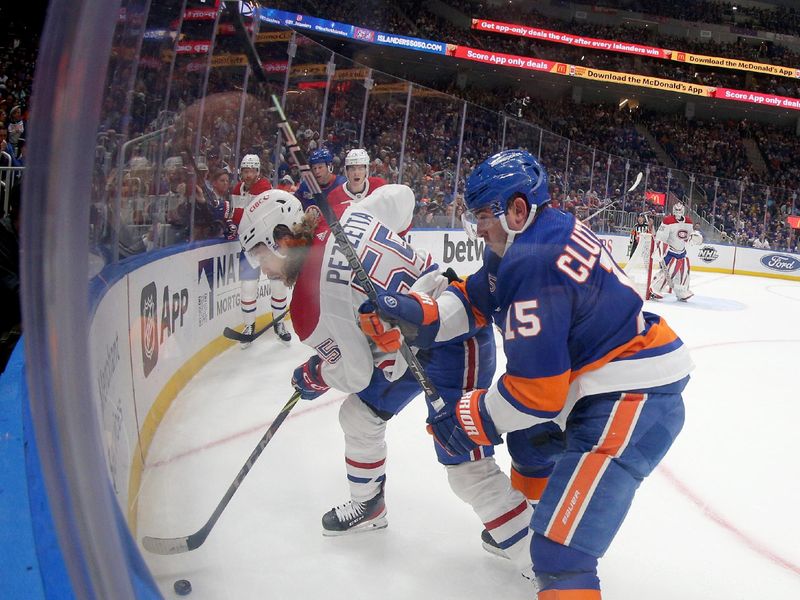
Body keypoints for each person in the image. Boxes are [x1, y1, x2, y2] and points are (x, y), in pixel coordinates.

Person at [359, 149, 693, 599]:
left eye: (483, 215)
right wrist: (414, 312)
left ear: (517, 209)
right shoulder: (529, 238)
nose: (477, 227)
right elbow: (478, 298)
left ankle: (549, 541)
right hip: (606, 382)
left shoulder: (534, 261)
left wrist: (467, 418)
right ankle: (538, 521)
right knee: (530, 439)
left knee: (559, 558)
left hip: (631, 398)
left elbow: (537, 395)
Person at [237, 187, 538, 574]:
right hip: (423, 331)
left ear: (280, 241)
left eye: (259, 256)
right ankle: (369, 505)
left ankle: (544, 564)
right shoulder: (345, 216)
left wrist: (317, 372)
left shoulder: (307, 307)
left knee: (464, 464)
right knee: (359, 416)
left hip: (453, 340)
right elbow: (403, 198)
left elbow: (355, 372)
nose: (261, 270)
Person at [229, 153, 290, 345]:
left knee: (278, 286)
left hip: (268, 246)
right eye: (245, 171)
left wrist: (231, 215)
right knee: (247, 287)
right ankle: (249, 326)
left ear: (258, 172)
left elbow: (249, 217)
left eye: (252, 171)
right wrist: (230, 222)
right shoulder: (237, 189)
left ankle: (279, 324)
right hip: (248, 246)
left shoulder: (263, 187)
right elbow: (237, 217)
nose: (248, 175)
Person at [650, 201, 703, 301]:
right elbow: (661, 237)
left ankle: (681, 291)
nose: (678, 212)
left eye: (680, 210)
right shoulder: (668, 220)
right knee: (670, 270)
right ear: (673, 210)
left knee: (685, 269)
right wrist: (660, 249)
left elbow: (688, 237)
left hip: (681, 252)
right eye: (676, 210)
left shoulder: (688, 221)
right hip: (669, 252)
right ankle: (655, 288)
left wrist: (694, 238)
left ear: (683, 210)